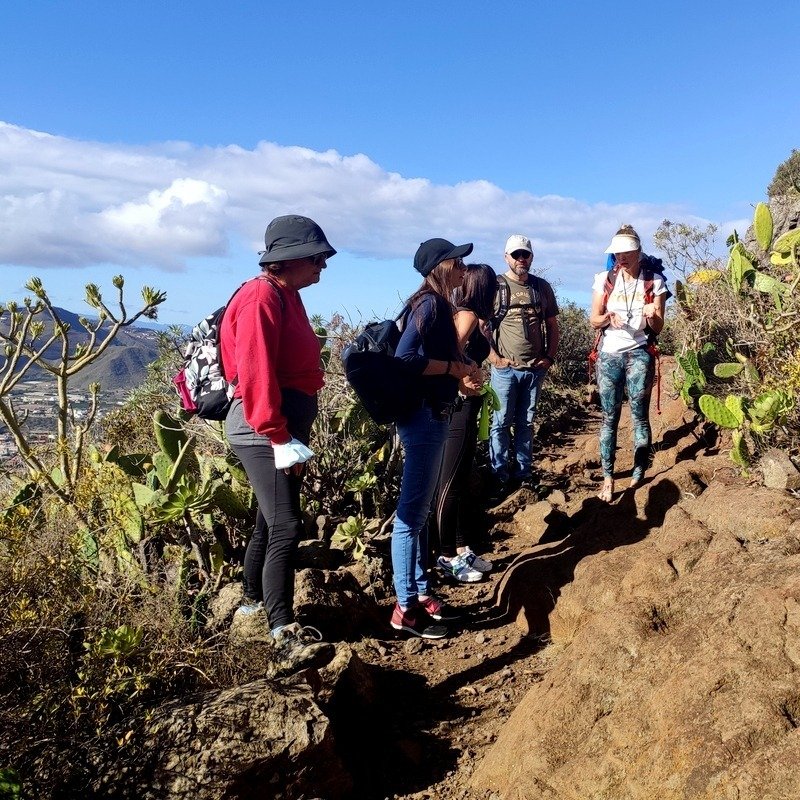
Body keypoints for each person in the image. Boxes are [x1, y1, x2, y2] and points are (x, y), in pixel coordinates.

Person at [220, 214, 336, 674]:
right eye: (317, 258)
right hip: (262, 426)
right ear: (291, 258)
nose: (322, 267)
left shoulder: (287, 295)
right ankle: (282, 631)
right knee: (287, 523)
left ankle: (250, 604)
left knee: (269, 521)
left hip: (279, 424)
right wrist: (278, 434)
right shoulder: (261, 297)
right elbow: (256, 370)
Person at [389, 238, 483, 638]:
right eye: (459, 262)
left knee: (421, 511)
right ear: (442, 267)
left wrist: (458, 370)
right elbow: (405, 359)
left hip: (430, 415)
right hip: (424, 418)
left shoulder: (433, 304)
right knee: (410, 517)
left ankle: (422, 593)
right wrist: (453, 369)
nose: (465, 269)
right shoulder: (429, 305)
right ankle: (405, 609)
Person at [589, 224, 668, 502]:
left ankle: (638, 474)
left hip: (638, 352)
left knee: (638, 415)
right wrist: (609, 317)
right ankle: (608, 478)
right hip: (610, 353)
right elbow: (594, 319)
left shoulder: (654, 281)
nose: (621, 257)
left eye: (626, 252)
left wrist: (651, 314)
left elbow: (658, 327)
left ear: (638, 252)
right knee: (609, 417)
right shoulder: (604, 279)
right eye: (617, 253)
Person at [433, 263, 496, 583]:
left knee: (458, 479)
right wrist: (461, 382)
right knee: (450, 482)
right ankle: (446, 556)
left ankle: (460, 548)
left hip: (465, 405)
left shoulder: (469, 315)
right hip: (458, 407)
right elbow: (448, 353)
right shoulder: (468, 314)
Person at [487, 235, 560, 494]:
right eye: (516, 255)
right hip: (505, 370)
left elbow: (552, 324)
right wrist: (493, 357)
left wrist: (549, 357)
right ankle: (499, 474)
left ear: (531, 257)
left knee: (526, 423)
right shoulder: (494, 286)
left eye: (525, 255)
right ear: (506, 257)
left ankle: (523, 474)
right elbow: (481, 326)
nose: (521, 259)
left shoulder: (541, 288)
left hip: (534, 370)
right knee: (500, 422)